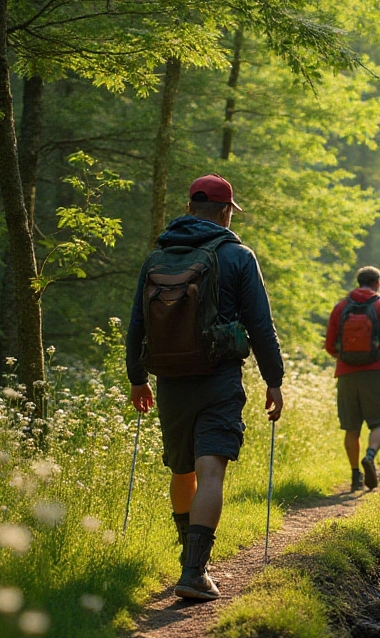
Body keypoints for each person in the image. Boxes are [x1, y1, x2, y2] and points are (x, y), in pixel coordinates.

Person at [126, 174, 284, 601]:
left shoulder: (158, 255)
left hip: (169, 379)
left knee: (182, 469)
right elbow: (260, 326)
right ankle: (193, 571)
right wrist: (275, 380)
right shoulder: (237, 255)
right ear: (226, 210)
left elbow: (137, 323)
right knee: (210, 470)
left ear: (190, 206)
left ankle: (190, 561)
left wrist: (137, 378)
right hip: (218, 378)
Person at [325, 266, 380, 491]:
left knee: (351, 427)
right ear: (378, 283)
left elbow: (330, 345)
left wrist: (345, 358)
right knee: (379, 423)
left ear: (358, 282)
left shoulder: (341, 307)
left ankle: (355, 476)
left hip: (346, 375)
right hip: (374, 372)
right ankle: (369, 455)